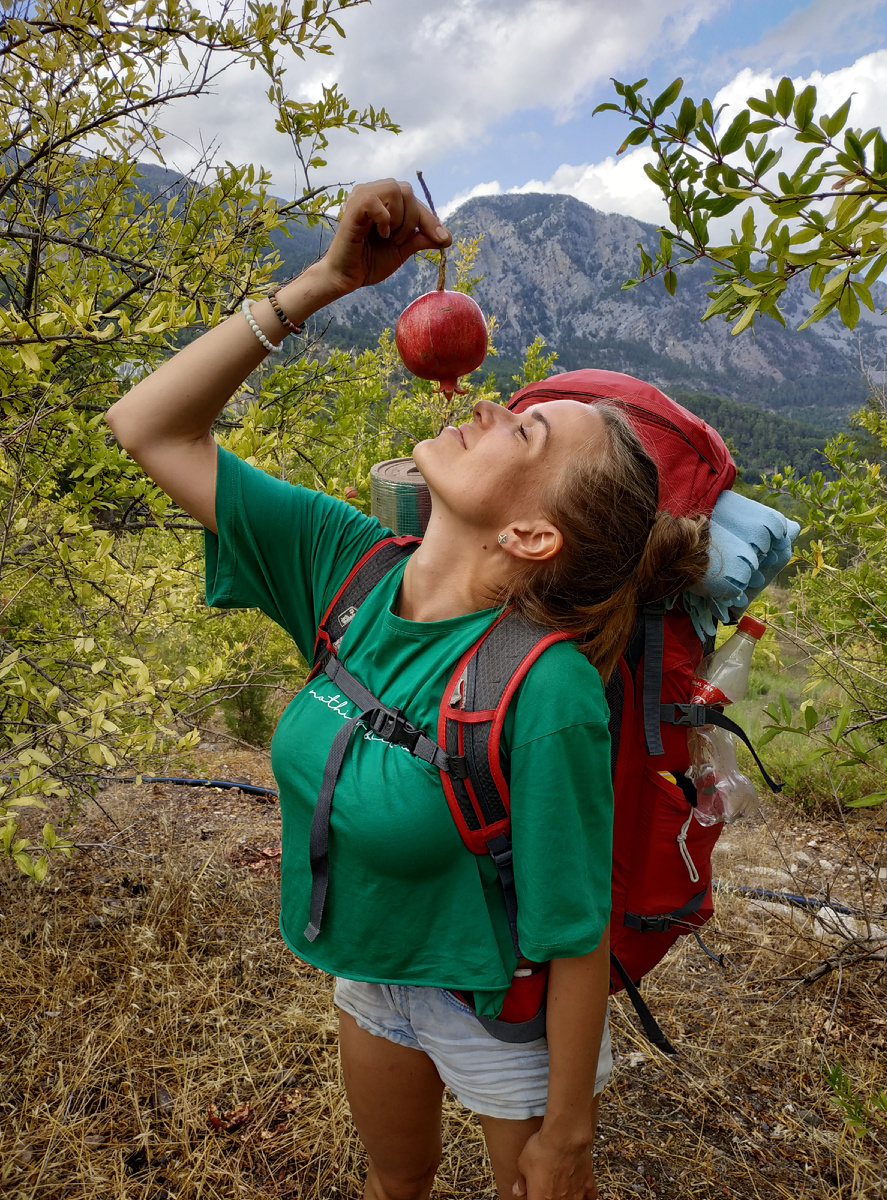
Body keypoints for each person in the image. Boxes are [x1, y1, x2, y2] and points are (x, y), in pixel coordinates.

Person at [106, 178, 709, 1200]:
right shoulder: (347, 569)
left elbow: (571, 932)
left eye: (522, 433)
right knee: (397, 1186)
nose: (487, 405)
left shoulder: (546, 685)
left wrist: (567, 1136)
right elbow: (148, 427)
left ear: (529, 536)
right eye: (515, 409)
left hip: (496, 1002)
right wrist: (328, 281)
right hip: (372, 973)